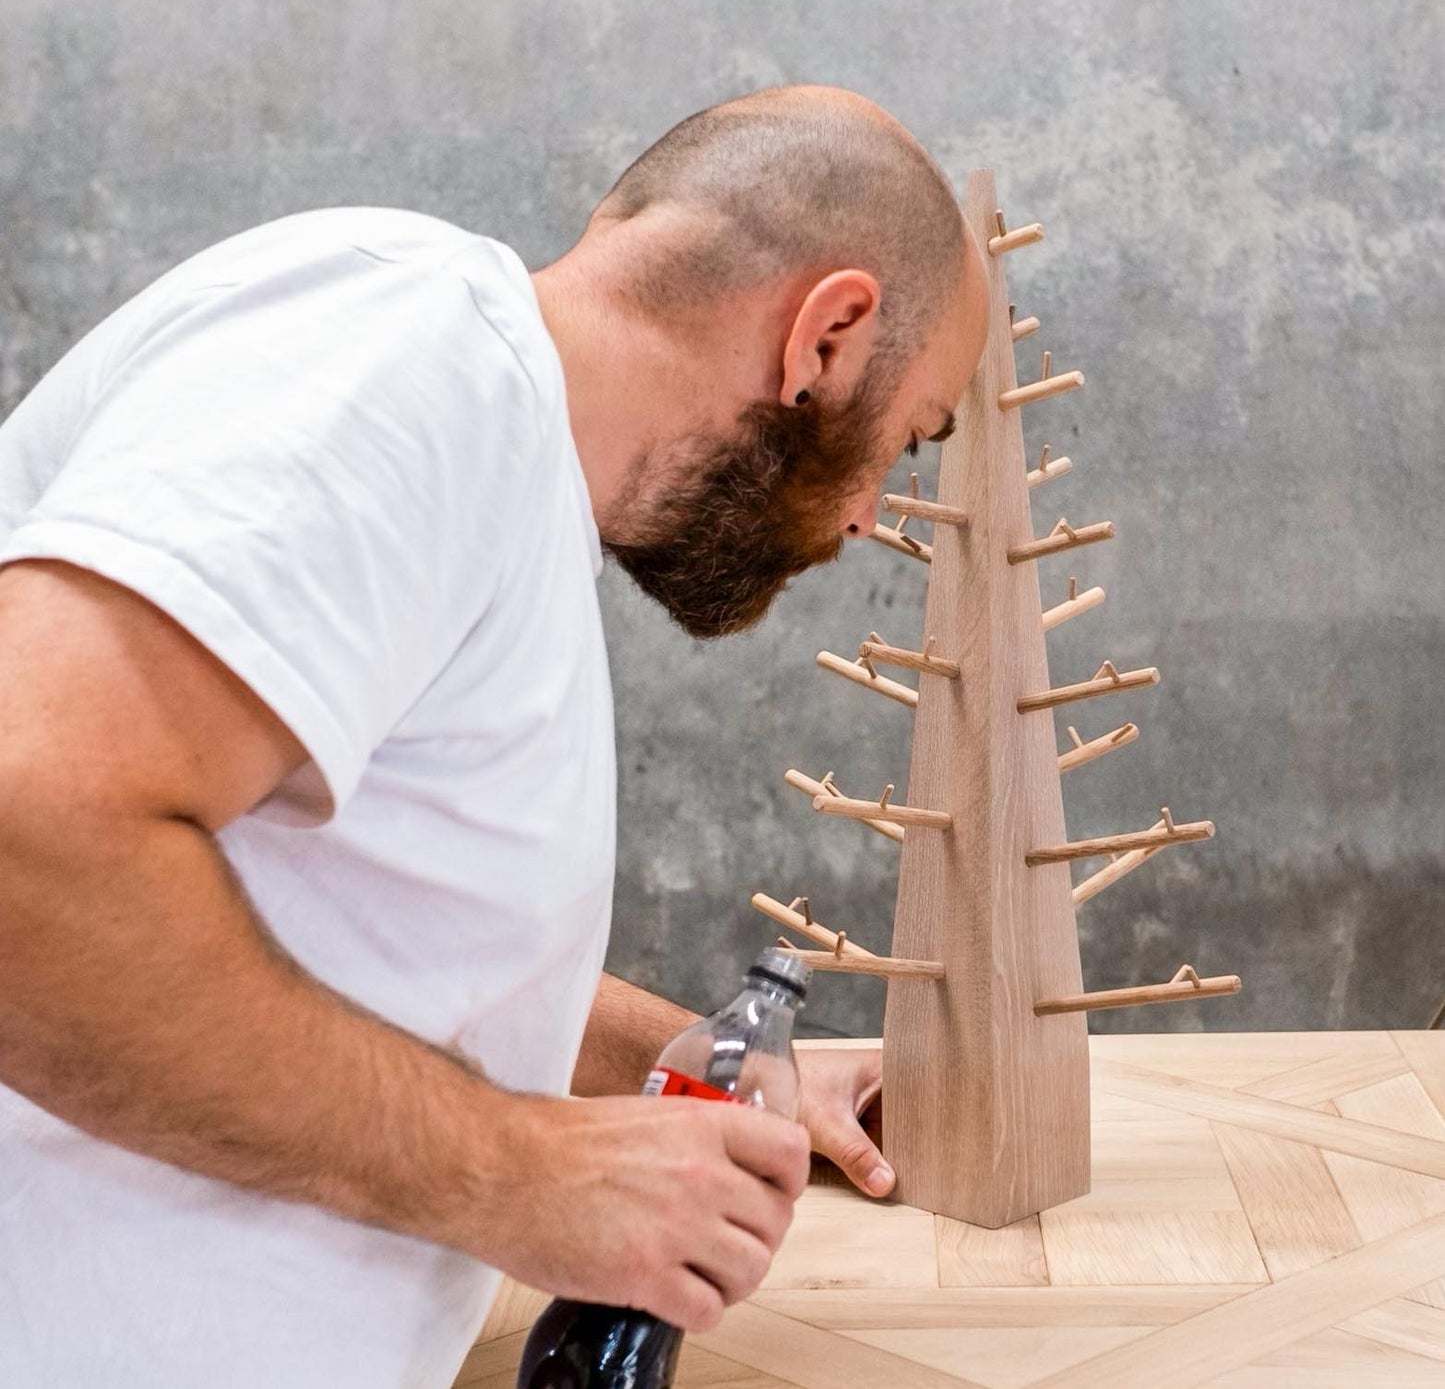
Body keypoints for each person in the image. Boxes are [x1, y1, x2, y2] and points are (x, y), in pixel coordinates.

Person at [0, 85, 989, 1386]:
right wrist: (519, 1175)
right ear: (827, 337)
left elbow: (335, 936)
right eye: (906, 441)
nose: (866, 518)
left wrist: (697, 1070)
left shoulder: (480, 449)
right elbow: (28, 839)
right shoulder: (402, 357)